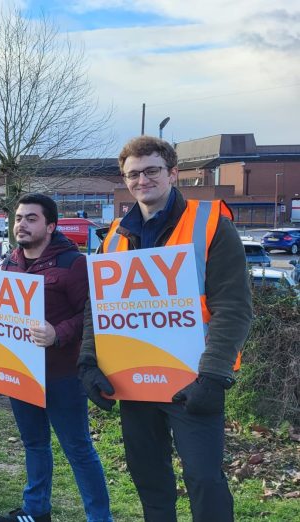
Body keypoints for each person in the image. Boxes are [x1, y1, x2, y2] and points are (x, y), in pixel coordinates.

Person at [78, 136, 252, 521]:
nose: (143, 180)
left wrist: (214, 374)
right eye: (133, 174)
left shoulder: (210, 226)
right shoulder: (115, 234)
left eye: (152, 170)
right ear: (125, 180)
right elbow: (97, 307)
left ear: (172, 173)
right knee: (149, 480)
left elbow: (234, 307)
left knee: (204, 479)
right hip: (135, 379)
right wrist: (89, 361)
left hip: (194, 379)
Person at [0, 194, 112, 522]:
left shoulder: (72, 263)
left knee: (78, 450)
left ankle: (100, 518)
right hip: (22, 373)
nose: (21, 224)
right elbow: (1, 311)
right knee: (34, 444)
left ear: (50, 225)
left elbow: (92, 314)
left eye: (30, 218)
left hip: (63, 375)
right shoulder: (10, 262)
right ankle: (36, 511)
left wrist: (58, 333)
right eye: (18, 218)